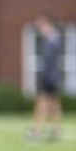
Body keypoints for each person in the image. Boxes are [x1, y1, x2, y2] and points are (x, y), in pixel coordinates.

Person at [29, 13, 63, 143]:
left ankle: (36, 131)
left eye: (42, 26)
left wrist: (44, 77)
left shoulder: (52, 40)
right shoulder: (52, 40)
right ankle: (55, 131)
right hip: (52, 77)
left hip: (50, 78)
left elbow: (49, 62)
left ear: (48, 25)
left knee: (42, 104)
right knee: (54, 105)